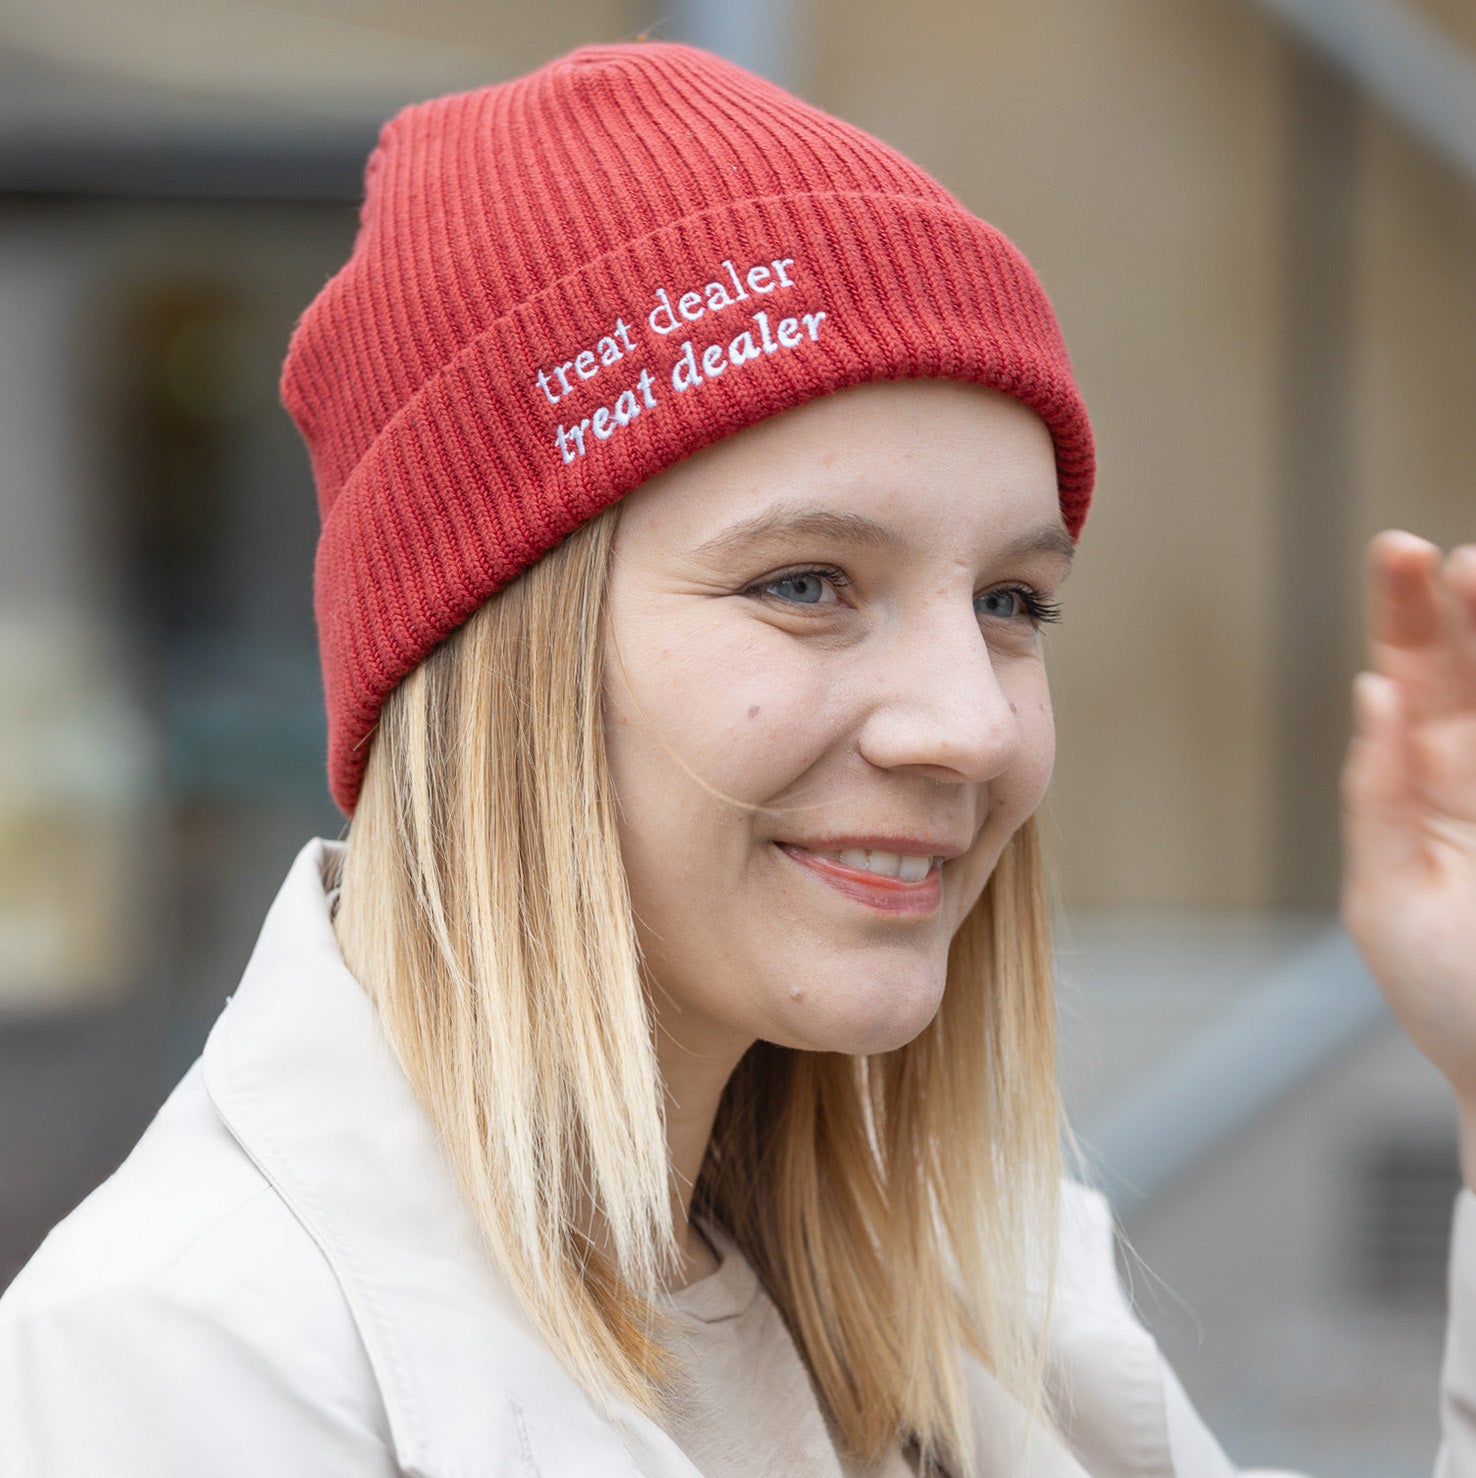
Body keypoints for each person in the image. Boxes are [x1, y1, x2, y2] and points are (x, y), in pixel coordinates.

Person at [0, 39, 1472, 1478]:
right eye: (807, 583)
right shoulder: (195, 1356)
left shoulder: (985, 1284)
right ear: (497, 658)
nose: (969, 723)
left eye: (1012, 602)